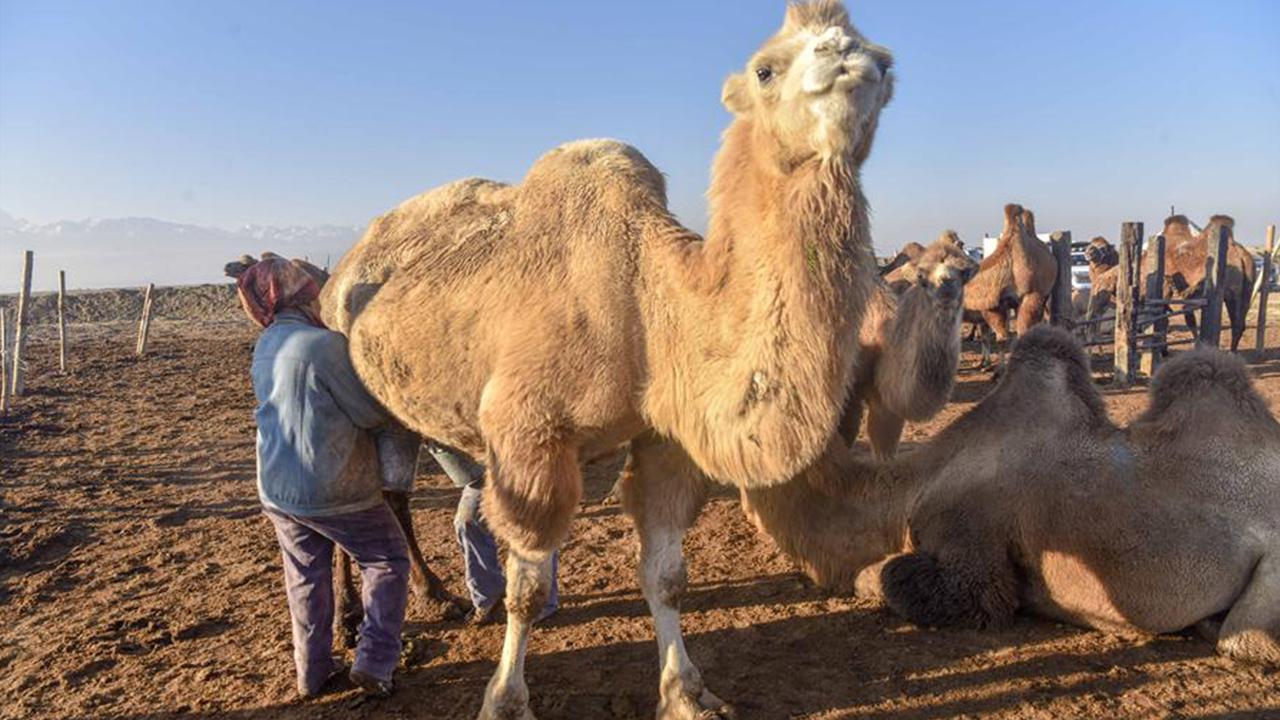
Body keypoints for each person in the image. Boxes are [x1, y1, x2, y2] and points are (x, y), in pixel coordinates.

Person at [238, 258, 407, 699]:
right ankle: (375, 662)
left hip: (276, 487)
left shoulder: (266, 343)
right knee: (387, 560)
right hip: (332, 486)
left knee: (306, 576)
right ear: (302, 294)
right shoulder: (324, 346)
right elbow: (368, 414)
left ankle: (311, 674)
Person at [423, 442, 560, 625]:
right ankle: (489, 600)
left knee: (533, 522)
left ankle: (539, 602)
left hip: (532, 457)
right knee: (468, 521)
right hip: (488, 462)